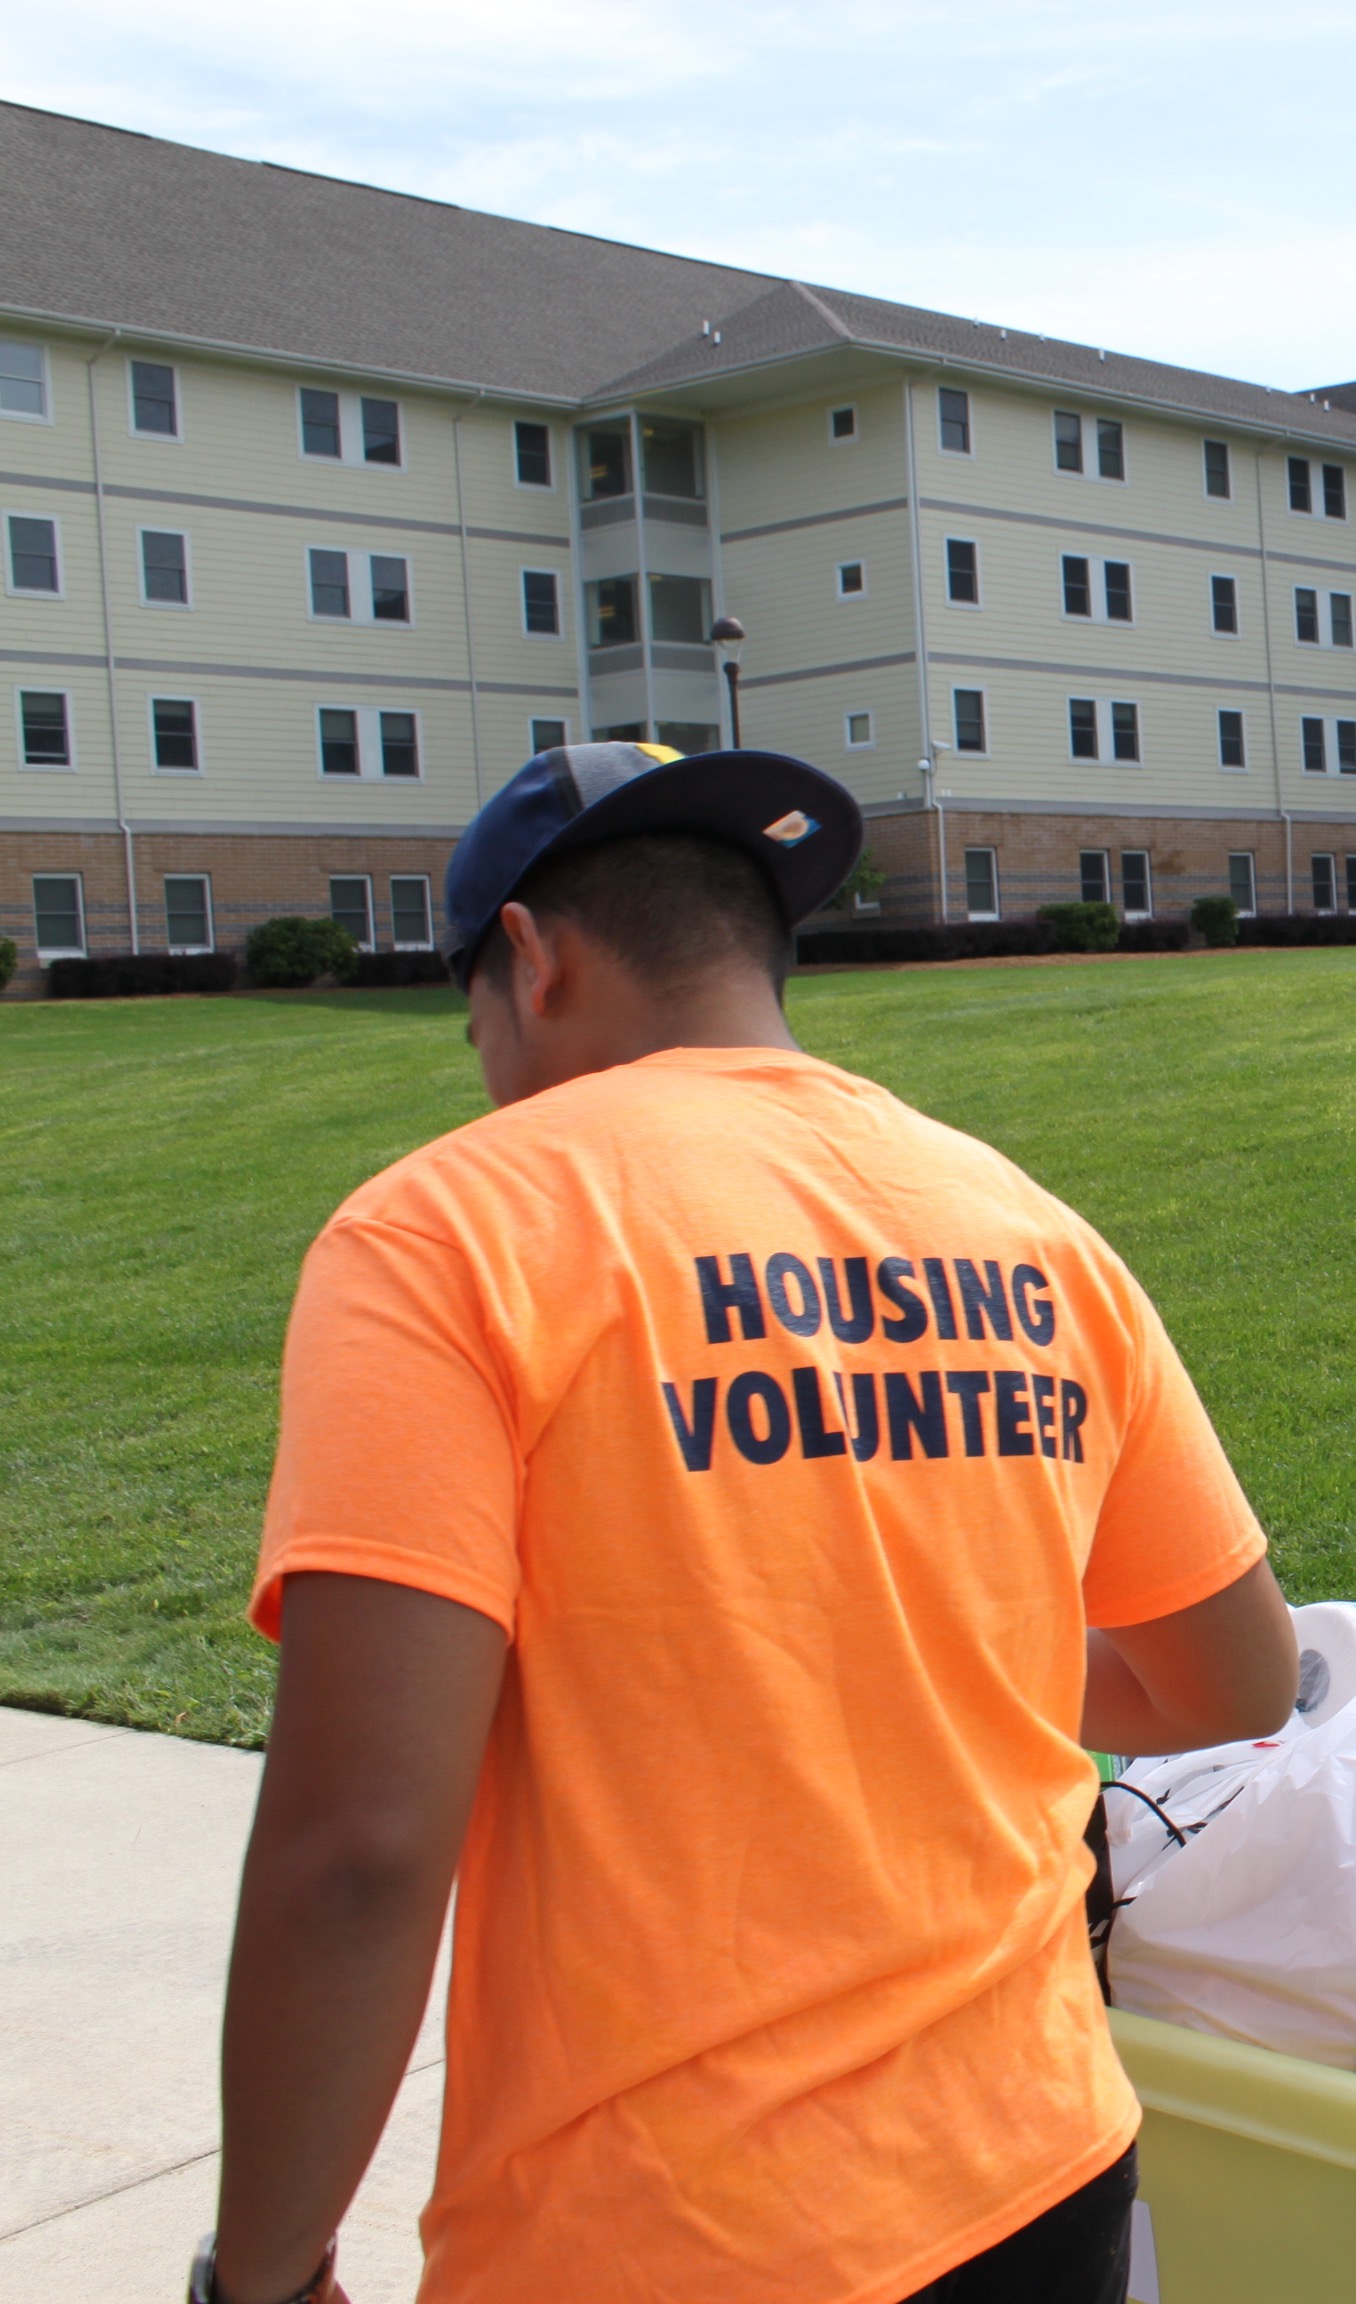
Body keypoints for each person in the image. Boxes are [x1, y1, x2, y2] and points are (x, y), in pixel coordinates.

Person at [201, 742, 1295, 2304]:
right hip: (1043, 2161)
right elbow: (1232, 1683)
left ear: (530, 957)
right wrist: (939, 1646)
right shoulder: (1026, 1227)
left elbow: (361, 1852)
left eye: (473, 1029)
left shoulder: (445, 1236)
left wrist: (260, 2274)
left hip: (663, 2230)